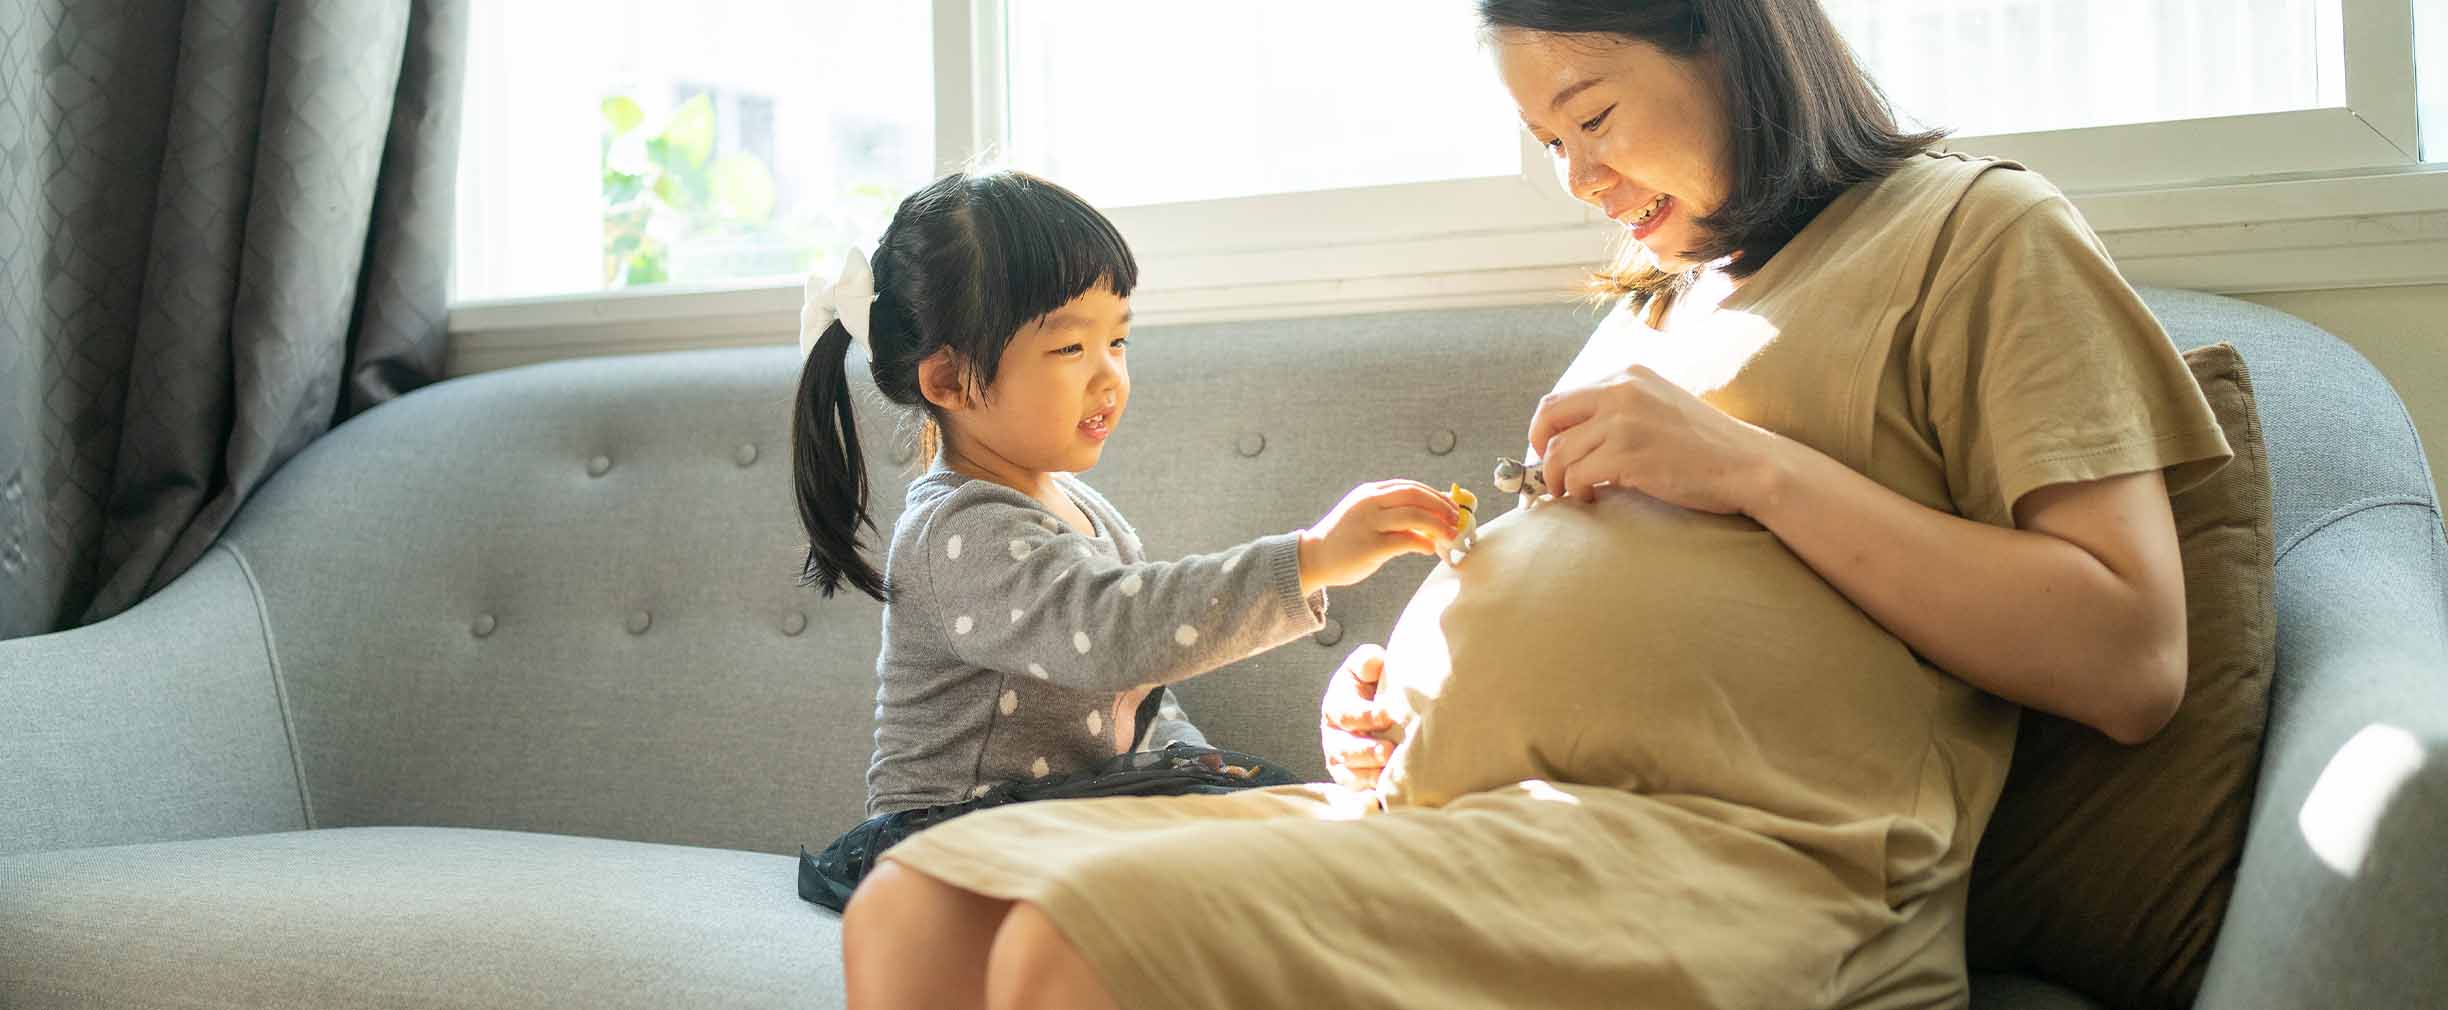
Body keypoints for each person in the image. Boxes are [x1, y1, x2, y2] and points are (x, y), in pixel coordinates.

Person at [839, 4, 2233, 1008]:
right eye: (1543, 141)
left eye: (1592, 117)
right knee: (920, 911)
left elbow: (2130, 656)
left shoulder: (1975, 234)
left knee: (1074, 955)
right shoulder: (1658, 303)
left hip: (1737, 860)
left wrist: (1747, 464)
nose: (1577, 179)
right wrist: (1393, 709)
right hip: (1463, 819)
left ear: (1730, 35)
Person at [790, 168, 1462, 819]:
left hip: (1066, 821)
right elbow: (1115, 632)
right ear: (950, 382)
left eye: (1118, 338)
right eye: (1069, 349)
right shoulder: (959, 533)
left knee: (1283, 826)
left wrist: (1217, 787)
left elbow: (1137, 699)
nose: (1110, 375)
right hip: (952, 842)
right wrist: (1309, 558)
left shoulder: (1084, 511)